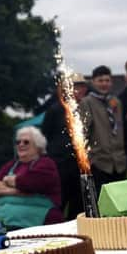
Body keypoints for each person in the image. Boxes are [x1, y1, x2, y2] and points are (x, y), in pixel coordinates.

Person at [0, 126, 63, 230]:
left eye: (26, 142)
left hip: (30, 223)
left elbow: (29, 182)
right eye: (18, 142)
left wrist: (9, 182)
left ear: (38, 146)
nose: (21, 144)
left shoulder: (46, 163)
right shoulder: (11, 165)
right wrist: (19, 191)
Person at [41, 72, 88, 220]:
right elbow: (45, 134)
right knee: (59, 202)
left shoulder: (85, 109)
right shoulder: (55, 109)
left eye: (80, 87)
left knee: (80, 203)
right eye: (73, 87)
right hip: (60, 164)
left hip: (80, 164)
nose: (77, 91)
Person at [80, 65, 127, 194]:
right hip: (99, 161)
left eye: (107, 80)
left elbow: (119, 128)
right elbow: (83, 132)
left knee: (120, 200)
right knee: (103, 201)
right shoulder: (86, 102)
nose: (104, 84)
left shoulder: (116, 102)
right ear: (93, 82)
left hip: (119, 161)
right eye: (100, 81)